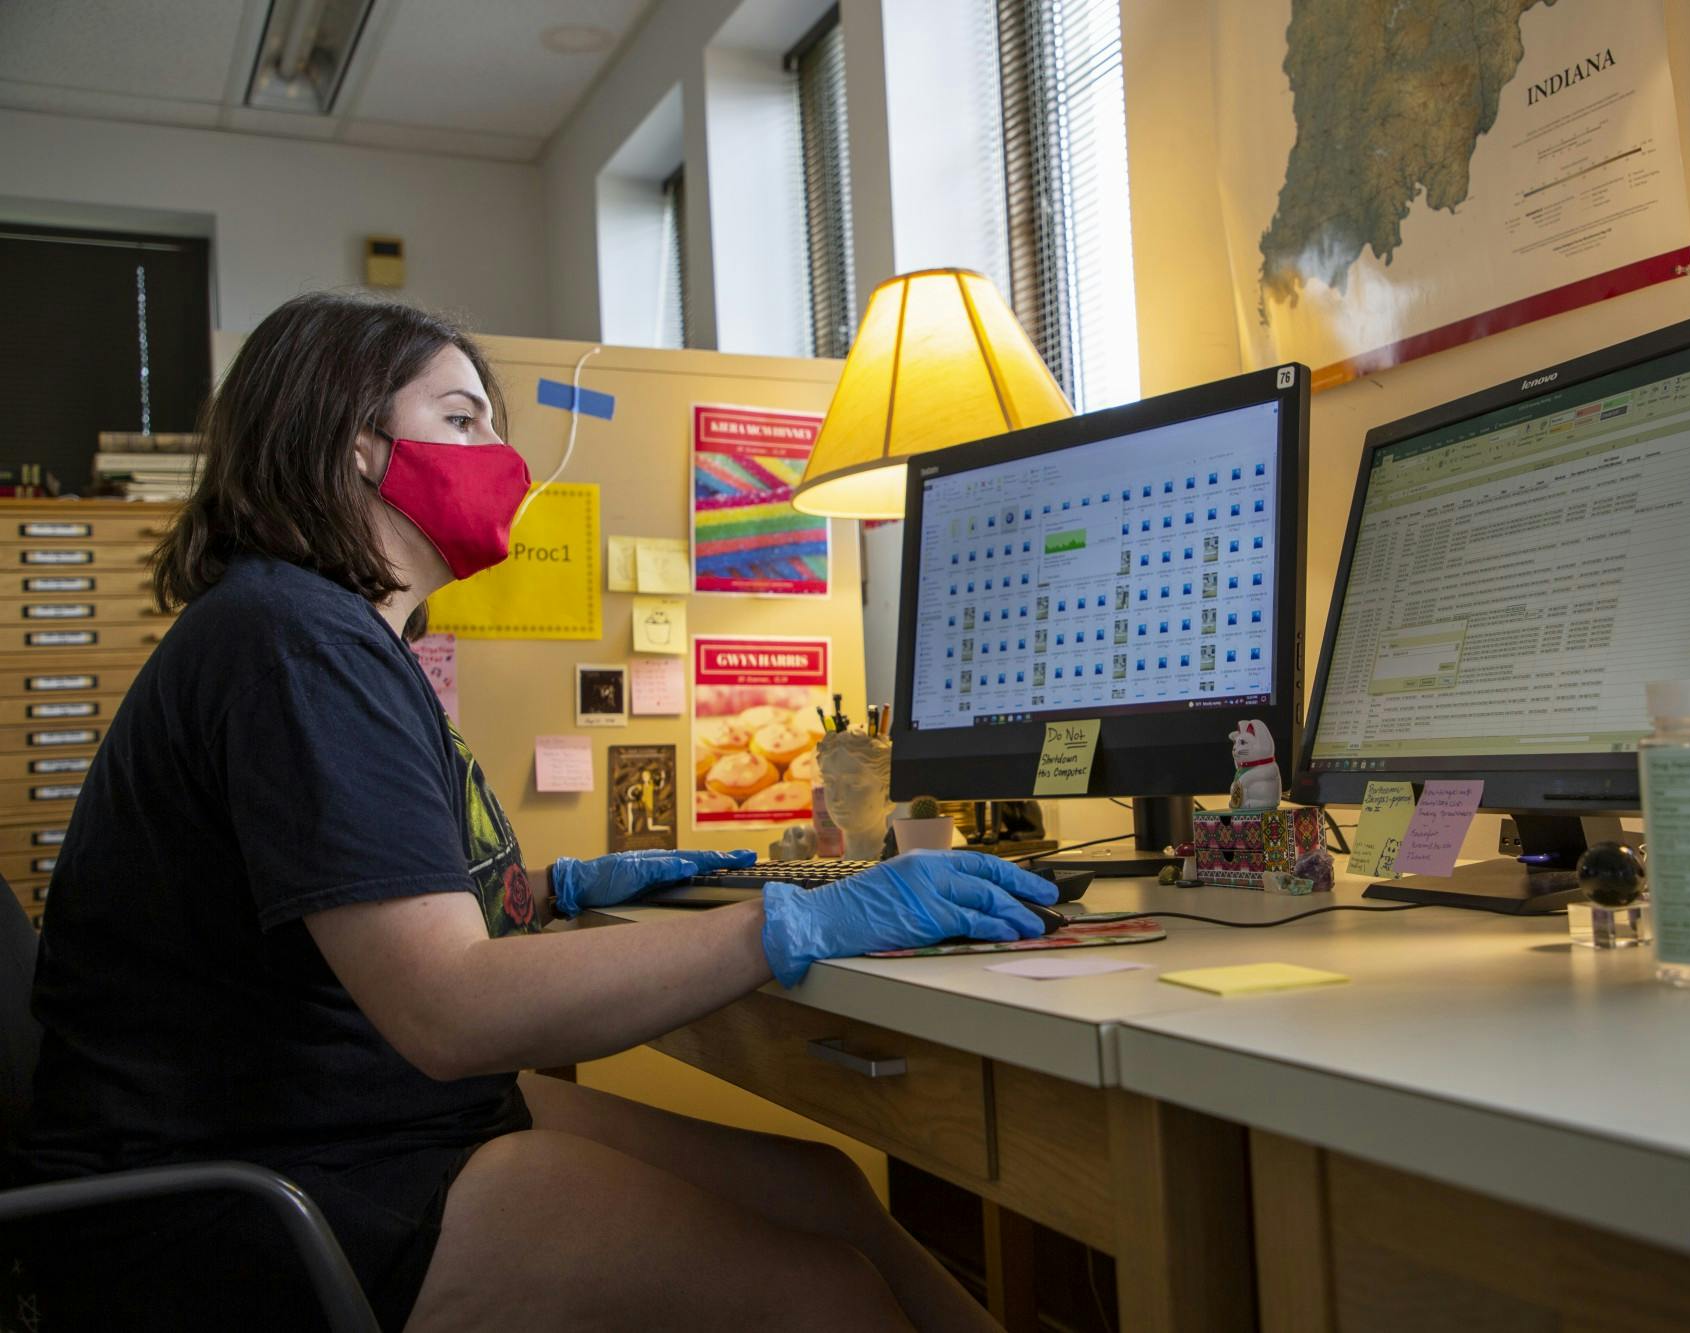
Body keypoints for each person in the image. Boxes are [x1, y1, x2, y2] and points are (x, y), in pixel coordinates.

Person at [11, 293, 1057, 1332]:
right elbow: (451, 1011)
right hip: (250, 1191)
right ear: (355, 442)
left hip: (350, 1118)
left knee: (827, 1190)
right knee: (822, 1294)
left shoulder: (319, 634)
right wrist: (785, 922)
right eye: (461, 420)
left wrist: (546, 893)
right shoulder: (292, 643)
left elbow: (363, 913)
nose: (504, 459)